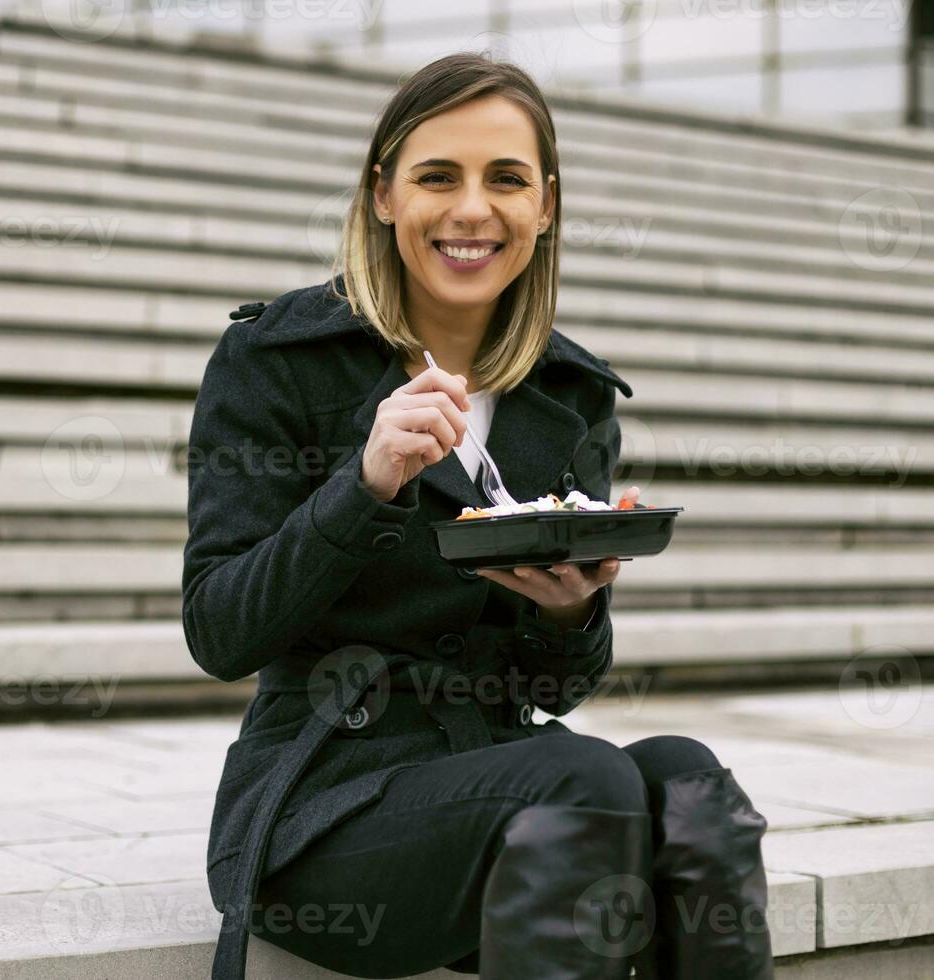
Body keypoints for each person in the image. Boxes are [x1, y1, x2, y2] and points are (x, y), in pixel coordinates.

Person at [183, 51, 774, 980]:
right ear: (383, 194)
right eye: (436, 176)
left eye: (506, 179)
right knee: (587, 781)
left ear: (546, 205)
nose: (471, 209)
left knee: (689, 778)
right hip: (322, 813)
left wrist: (570, 608)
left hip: (499, 777)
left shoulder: (572, 396)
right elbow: (218, 632)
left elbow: (559, 688)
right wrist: (362, 484)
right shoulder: (277, 360)